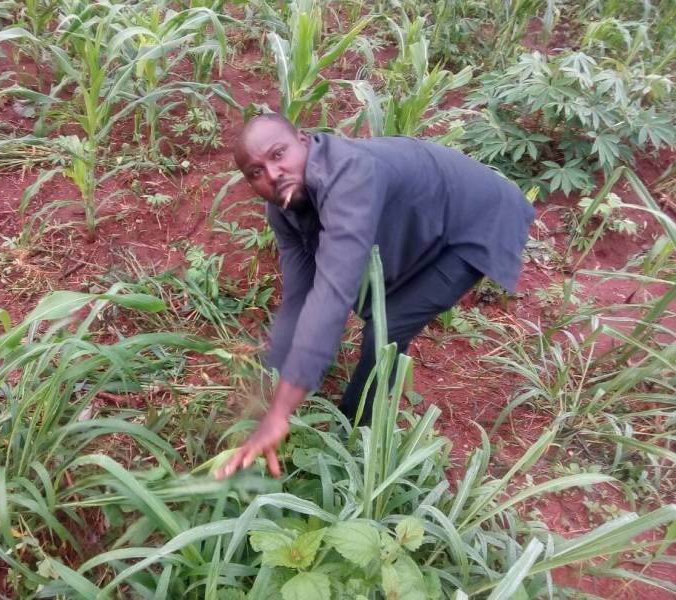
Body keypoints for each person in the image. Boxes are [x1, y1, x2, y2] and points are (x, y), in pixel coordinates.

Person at [216, 113, 535, 480]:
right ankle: (336, 414)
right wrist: (268, 391)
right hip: (428, 211)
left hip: (480, 218)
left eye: (278, 154)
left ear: (303, 141)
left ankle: (354, 434)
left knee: (388, 325)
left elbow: (332, 294)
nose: (273, 175)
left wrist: (279, 413)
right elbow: (299, 298)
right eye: (255, 172)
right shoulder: (283, 210)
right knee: (375, 306)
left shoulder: (350, 176)